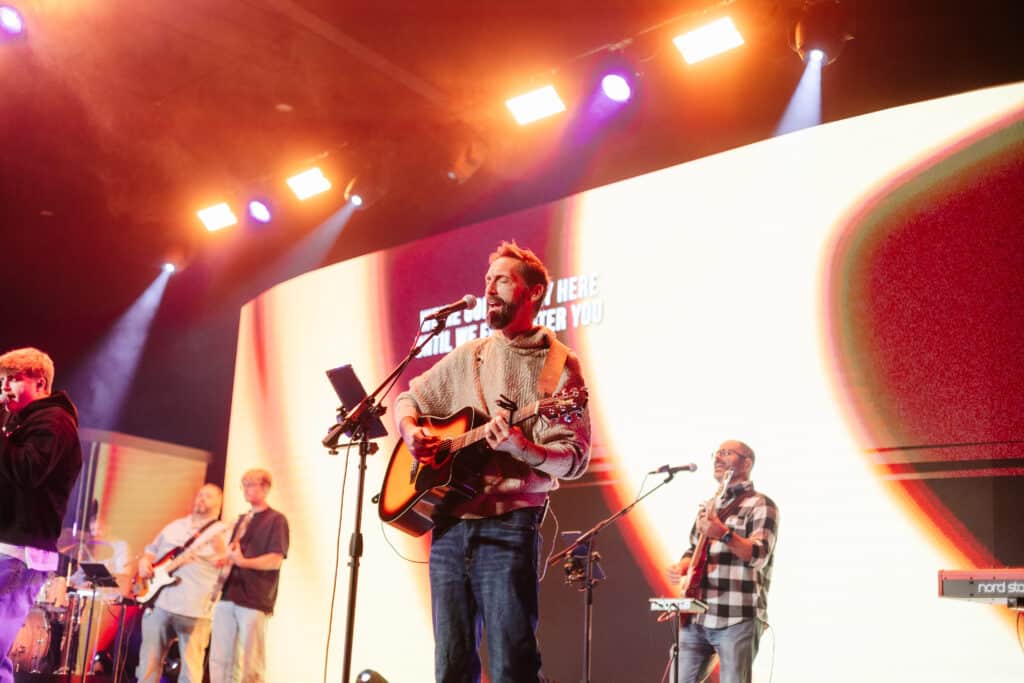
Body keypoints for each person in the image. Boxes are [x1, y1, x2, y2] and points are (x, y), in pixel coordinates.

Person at [395, 241, 591, 683]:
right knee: (450, 666)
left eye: (502, 280)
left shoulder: (559, 366)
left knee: (511, 667)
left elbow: (575, 459)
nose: (488, 289)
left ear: (533, 292)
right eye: (487, 280)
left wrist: (524, 448)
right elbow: (410, 398)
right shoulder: (472, 354)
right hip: (450, 526)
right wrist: (410, 431)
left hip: (509, 526)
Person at [0, 347, 83, 683]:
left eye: (12, 379)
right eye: (1, 380)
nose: (4, 386)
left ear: (40, 382)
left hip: (20, 552)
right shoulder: (23, 423)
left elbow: (28, 470)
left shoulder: (55, 422)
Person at [666, 440, 779, 683]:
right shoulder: (709, 506)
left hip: (736, 616)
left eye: (726, 453)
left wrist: (724, 533)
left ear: (747, 463)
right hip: (697, 614)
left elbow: (759, 555)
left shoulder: (761, 504)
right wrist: (681, 566)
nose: (718, 458)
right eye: (716, 454)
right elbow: (693, 549)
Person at [135, 484, 229, 683]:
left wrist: (221, 552)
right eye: (200, 495)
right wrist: (144, 562)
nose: (202, 498)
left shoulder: (223, 532)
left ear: (219, 503)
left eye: (208, 496)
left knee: (190, 670)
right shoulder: (175, 526)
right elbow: (151, 550)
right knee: (148, 666)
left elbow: (228, 566)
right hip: (160, 604)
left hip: (195, 610)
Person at [209, 468, 289, 683]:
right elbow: (234, 554)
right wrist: (225, 559)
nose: (246, 489)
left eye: (251, 484)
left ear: (266, 488)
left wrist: (243, 562)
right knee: (220, 659)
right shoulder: (242, 519)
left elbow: (275, 560)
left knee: (251, 662)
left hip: (254, 599)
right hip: (228, 594)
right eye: (244, 484)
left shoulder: (276, 520)